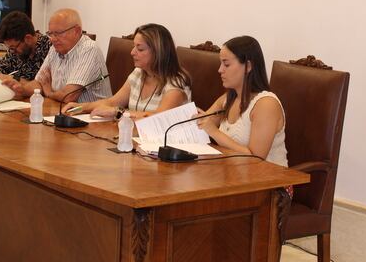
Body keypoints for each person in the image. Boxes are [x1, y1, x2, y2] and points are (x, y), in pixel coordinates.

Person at [64, 23, 191, 119]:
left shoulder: (176, 83)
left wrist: (118, 112)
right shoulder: (138, 73)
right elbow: (112, 102)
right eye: (133, 47)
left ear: (159, 52)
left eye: (140, 49)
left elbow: (158, 118)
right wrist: (80, 107)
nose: (132, 53)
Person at [196, 36, 287, 166]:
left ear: (248, 66)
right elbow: (203, 124)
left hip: (270, 182)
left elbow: (256, 159)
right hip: (232, 175)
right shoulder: (228, 99)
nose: (220, 70)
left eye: (226, 64)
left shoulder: (266, 104)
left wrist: (214, 132)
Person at [5, 8, 109, 102]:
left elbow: (69, 96)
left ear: (76, 31)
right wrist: (22, 90)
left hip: (94, 118)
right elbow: (40, 82)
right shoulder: (54, 49)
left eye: (58, 33)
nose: (53, 39)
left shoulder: (89, 49)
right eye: (50, 34)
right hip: (62, 113)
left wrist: (49, 93)